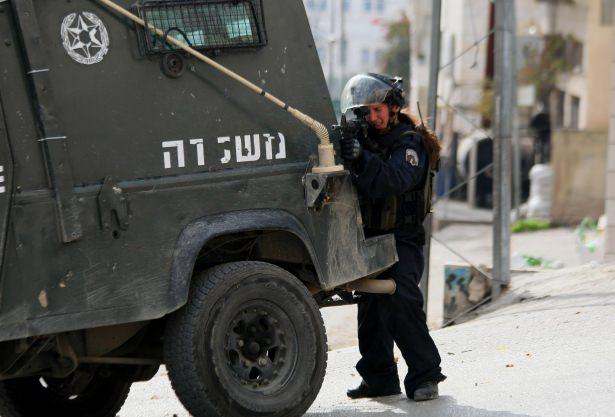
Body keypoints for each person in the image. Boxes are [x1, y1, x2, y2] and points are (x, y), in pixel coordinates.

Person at [338, 73, 446, 401]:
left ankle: (425, 375)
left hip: (403, 238)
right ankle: (379, 378)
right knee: (371, 307)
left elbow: (393, 180)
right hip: (371, 237)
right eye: (367, 112)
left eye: (378, 110)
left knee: (401, 300)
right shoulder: (364, 139)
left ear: (393, 107)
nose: (374, 117)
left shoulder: (410, 142)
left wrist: (361, 157)